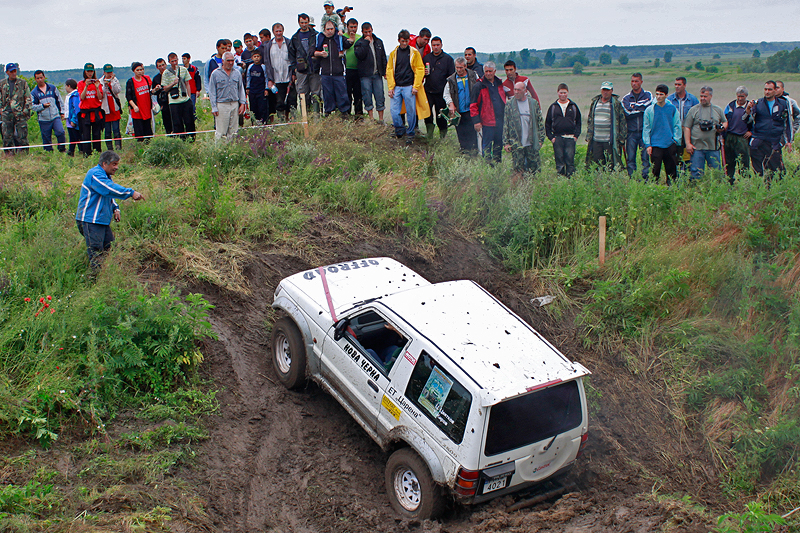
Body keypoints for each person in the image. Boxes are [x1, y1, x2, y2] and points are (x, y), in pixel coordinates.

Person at [75, 150, 144, 271]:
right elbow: (109, 189)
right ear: (104, 163)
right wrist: (131, 192)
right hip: (91, 220)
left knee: (110, 248)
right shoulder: (95, 174)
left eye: (117, 164)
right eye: (114, 164)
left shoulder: (106, 176)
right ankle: (95, 281)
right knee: (96, 253)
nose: (116, 167)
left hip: (101, 221)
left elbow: (107, 194)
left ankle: (108, 275)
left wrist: (115, 207)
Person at [387, 29, 429, 144]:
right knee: (394, 111)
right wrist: (390, 87)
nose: (404, 43)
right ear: (398, 40)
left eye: (406, 41)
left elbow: (419, 69)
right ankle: (400, 130)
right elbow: (390, 70)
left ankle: (410, 133)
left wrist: (416, 86)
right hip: (397, 87)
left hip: (409, 87)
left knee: (411, 111)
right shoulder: (393, 54)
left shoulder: (414, 53)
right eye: (402, 41)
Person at [744, 81, 792, 180]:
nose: (767, 92)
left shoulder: (783, 104)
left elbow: (787, 123)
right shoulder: (758, 103)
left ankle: (774, 191)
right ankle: (760, 190)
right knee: (759, 171)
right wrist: (748, 109)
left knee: (776, 170)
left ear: (775, 90)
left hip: (774, 141)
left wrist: (788, 141)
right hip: (759, 140)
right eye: (765, 89)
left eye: (770, 89)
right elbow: (747, 120)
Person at [684, 86, 727, 180]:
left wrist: (722, 127)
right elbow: (687, 127)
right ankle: (696, 191)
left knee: (716, 174)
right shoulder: (693, 110)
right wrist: (688, 143)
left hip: (713, 147)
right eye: (701, 96)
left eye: (705, 96)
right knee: (696, 173)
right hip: (696, 147)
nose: (702, 98)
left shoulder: (717, 110)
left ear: (710, 96)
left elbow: (725, 121)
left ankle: (716, 190)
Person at [503, 81, 544, 175]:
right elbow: (506, 124)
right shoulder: (509, 105)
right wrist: (506, 143)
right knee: (518, 171)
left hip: (531, 142)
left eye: (519, 90)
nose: (516, 92)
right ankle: (519, 188)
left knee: (534, 171)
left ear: (525, 91)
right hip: (516, 143)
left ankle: (534, 188)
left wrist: (541, 140)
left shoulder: (533, 103)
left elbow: (540, 122)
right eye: (515, 90)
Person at [643, 84, 681, 183]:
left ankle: (672, 189)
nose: (659, 97)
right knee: (655, 170)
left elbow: (677, 124)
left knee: (671, 171)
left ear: (666, 95)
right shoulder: (650, 110)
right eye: (657, 94)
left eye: (661, 94)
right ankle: (654, 189)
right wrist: (648, 144)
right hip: (656, 144)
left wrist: (676, 140)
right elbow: (646, 128)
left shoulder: (672, 109)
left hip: (669, 143)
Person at [585, 81, 627, 170]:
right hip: (596, 140)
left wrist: (621, 138)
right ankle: (599, 181)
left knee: (610, 164)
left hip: (609, 141)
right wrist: (589, 135)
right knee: (597, 163)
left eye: (607, 90)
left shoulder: (616, 104)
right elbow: (590, 120)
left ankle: (609, 181)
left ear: (611, 91)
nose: (605, 92)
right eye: (604, 89)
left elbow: (622, 121)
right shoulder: (595, 103)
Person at [471, 61, 506, 163]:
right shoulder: (479, 86)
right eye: (486, 71)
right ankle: (487, 166)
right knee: (486, 146)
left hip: (500, 121)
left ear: (495, 71)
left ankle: (497, 165)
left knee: (498, 145)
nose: (488, 73)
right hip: (486, 122)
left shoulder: (499, 83)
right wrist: (476, 121)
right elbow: (473, 105)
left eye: (490, 71)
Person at [315, 19, 352, 115]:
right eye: (328, 29)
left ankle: (344, 114)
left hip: (339, 72)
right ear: (324, 29)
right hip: (325, 72)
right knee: (327, 95)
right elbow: (312, 51)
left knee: (342, 95)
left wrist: (351, 38)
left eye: (332, 28)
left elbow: (348, 44)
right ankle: (328, 114)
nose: (330, 31)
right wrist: (320, 53)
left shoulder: (339, 38)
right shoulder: (319, 38)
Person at [208, 52, 247, 140]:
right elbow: (212, 92)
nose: (230, 63)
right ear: (223, 61)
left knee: (233, 132)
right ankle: (220, 151)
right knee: (221, 132)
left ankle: (232, 151)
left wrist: (242, 103)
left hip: (234, 103)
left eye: (232, 60)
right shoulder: (215, 74)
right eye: (228, 60)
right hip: (222, 104)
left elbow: (241, 89)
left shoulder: (237, 73)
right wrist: (214, 107)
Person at [545, 83, 581, 177]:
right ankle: (560, 180)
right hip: (557, 138)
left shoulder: (573, 106)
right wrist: (551, 137)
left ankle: (570, 180)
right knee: (559, 160)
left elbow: (578, 122)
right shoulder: (553, 107)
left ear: (568, 93)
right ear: (558, 93)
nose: (563, 95)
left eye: (565, 92)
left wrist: (576, 135)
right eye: (561, 93)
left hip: (570, 137)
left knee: (570, 160)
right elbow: (547, 124)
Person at [422, 36, 455, 139]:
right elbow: (421, 73)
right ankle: (429, 133)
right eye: (433, 45)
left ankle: (443, 135)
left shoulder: (448, 59)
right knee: (427, 113)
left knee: (440, 115)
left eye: (437, 45)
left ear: (441, 45)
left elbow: (451, 77)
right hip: (428, 90)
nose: (435, 47)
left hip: (441, 92)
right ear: (431, 46)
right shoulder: (426, 58)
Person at [354, 21, 387, 121]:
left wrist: (385, 72)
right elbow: (359, 55)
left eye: (369, 31)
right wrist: (365, 42)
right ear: (362, 32)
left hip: (377, 74)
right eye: (365, 32)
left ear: (372, 30)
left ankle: (381, 119)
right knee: (367, 96)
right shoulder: (359, 43)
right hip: (365, 75)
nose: (368, 34)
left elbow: (383, 57)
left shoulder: (378, 42)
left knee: (380, 95)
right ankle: (371, 118)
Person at [444, 57, 478, 153]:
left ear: (465, 66)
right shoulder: (451, 79)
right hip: (459, 110)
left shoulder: (473, 76)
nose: (459, 70)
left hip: (472, 109)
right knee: (461, 131)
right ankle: (464, 150)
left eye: (461, 67)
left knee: (473, 130)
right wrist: (451, 104)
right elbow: (446, 94)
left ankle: (474, 150)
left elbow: (479, 89)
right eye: (457, 67)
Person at [264, 22, 297, 122]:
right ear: (273, 32)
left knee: (291, 100)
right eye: (276, 31)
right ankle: (282, 121)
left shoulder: (288, 43)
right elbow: (267, 63)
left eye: (280, 31)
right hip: (276, 79)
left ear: (283, 31)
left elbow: (293, 59)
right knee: (279, 102)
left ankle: (292, 120)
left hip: (288, 77)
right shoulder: (269, 45)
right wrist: (270, 79)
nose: (278, 33)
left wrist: (294, 74)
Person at [289, 14, 322, 112]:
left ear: (309, 22)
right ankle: (306, 117)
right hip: (301, 70)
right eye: (302, 23)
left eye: (306, 22)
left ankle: (316, 116)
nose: (304, 25)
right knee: (303, 94)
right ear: (299, 23)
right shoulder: (294, 38)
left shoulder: (316, 35)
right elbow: (291, 55)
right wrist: (295, 68)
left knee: (316, 93)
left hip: (314, 68)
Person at [622, 73, 652, 177]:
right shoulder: (626, 98)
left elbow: (647, 108)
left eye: (636, 81)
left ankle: (645, 180)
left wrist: (634, 107)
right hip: (631, 133)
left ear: (641, 82)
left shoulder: (648, 95)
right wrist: (640, 108)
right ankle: (632, 179)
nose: (634, 83)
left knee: (646, 158)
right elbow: (627, 112)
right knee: (630, 158)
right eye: (632, 81)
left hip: (645, 132)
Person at [162, 53, 196, 140]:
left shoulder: (183, 69)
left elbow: (187, 83)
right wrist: (173, 83)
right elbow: (165, 88)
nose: (175, 63)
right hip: (174, 101)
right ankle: (181, 140)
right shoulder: (166, 73)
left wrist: (189, 97)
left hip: (185, 99)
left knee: (189, 121)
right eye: (172, 61)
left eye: (176, 60)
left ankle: (191, 139)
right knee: (177, 123)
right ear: (169, 62)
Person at [666, 76, 699, 167]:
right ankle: (675, 176)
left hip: (688, 132)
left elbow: (697, 115)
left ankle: (688, 175)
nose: (677, 86)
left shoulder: (692, 100)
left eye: (679, 84)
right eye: (675, 84)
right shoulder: (669, 100)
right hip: (674, 132)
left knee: (688, 156)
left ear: (684, 85)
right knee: (674, 156)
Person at [31, 70, 66, 152]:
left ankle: (62, 149)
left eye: (41, 77)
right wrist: (42, 106)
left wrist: (62, 112)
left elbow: (59, 101)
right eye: (38, 78)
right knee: (46, 137)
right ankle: (48, 152)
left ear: (44, 77)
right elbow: (32, 106)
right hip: (43, 119)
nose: (40, 79)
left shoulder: (52, 88)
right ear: (35, 79)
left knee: (60, 132)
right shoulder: (34, 93)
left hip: (55, 116)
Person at [0, 63, 32, 153]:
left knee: (22, 135)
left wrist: (25, 110)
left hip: (20, 113)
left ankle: (24, 153)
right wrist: (1, 110)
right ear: (7, 72)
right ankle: (9, 153)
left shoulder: (23, 83)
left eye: (15, 71)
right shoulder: (2, 84)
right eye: (11, 72)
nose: (14, 73)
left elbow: (28, 98)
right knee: (7, 135)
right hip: (7, 113)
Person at [722, 86, 752, 182]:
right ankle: (729, 181)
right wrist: (723, 135)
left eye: (742, 96)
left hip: (742, 137)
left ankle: (744, 182)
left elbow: (756, 121)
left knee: (743, 161)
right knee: (729, 161)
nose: (740, 98)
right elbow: (724, 119)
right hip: (730, 136)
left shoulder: (750, 107)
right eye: (738, 96)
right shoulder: (730, 105)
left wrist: (751, 131)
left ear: (746, 96)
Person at [77, 63, 105, 156]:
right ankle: (86, 153)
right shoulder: (81, 83)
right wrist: (86, 86)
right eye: (88, 71)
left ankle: (97, 152)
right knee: (86, 135)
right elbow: (82, 97)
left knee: (97, 134)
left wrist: (97, 87)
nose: (90, 73)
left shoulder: (97, 83)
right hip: (86, 113)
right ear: (85, 72)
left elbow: (100, 97)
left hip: (96, 111)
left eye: (91, 71)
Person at [125, 62, 153, 141]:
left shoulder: (146, 79)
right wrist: (134, 106)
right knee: (139, 133)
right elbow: (128, 96)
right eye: (137, 70)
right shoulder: (131, 81)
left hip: (147, 109)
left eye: (141, 69)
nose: (140, 71)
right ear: (134, 71)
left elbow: (149, 92)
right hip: (137, 111)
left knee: (148, 132)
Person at [99, 64, 122, 150]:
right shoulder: (100, 81)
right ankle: (110, 148)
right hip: (105, 109)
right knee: (107, 131)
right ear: (104, 72)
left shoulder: (115, 80)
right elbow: (102, 93)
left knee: (116, 129)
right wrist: (105, 84)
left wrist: (112, 82)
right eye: (108, 72)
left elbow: (117, 90)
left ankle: (118, 146)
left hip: (114, 108)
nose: (109, 74)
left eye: (111, 72)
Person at [343, 18, 363, 116]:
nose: (353, 29)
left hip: (358, 69)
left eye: (355, 27)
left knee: (358, 93)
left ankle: (359, 115)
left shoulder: (360, 38)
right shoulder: (343, 37)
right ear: (347, 27)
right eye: (351, 27)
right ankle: (347, 113)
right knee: (347, 93)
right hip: (346, 70)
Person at [246, 50, 269, 123]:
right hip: (252, 91)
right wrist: (248, 87)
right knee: (253, 107)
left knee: (262, 107)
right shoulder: (250, 67)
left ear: (260, 57)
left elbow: (266, 78)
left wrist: (266, 89)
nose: (256, 58)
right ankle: (254, 122)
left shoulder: (263, 67)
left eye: (258, 56)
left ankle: (263, 121)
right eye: (255, 56)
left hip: (261, 90)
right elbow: (248, 77)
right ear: (252, 58)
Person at [151, 58, 173, 135]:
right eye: (160, 66)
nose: (162, 67)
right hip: (163, 102)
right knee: (167, 121)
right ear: (157, 67)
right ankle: (169, 135)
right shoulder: (156, 78)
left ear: (166, 65)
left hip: (173, 99)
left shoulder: (171, 74)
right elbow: (153, 92)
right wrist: (156, 89)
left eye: (163, 65)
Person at [65, 79, 81, 156]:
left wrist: (73, 120)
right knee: (72, 136)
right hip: (69, 119)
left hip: (72, 120)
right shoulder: (70, 95)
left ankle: (80, 150)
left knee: (76, 136)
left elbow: (76, 108)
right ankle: (71, 151)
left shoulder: (74, 95)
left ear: (69, 86)